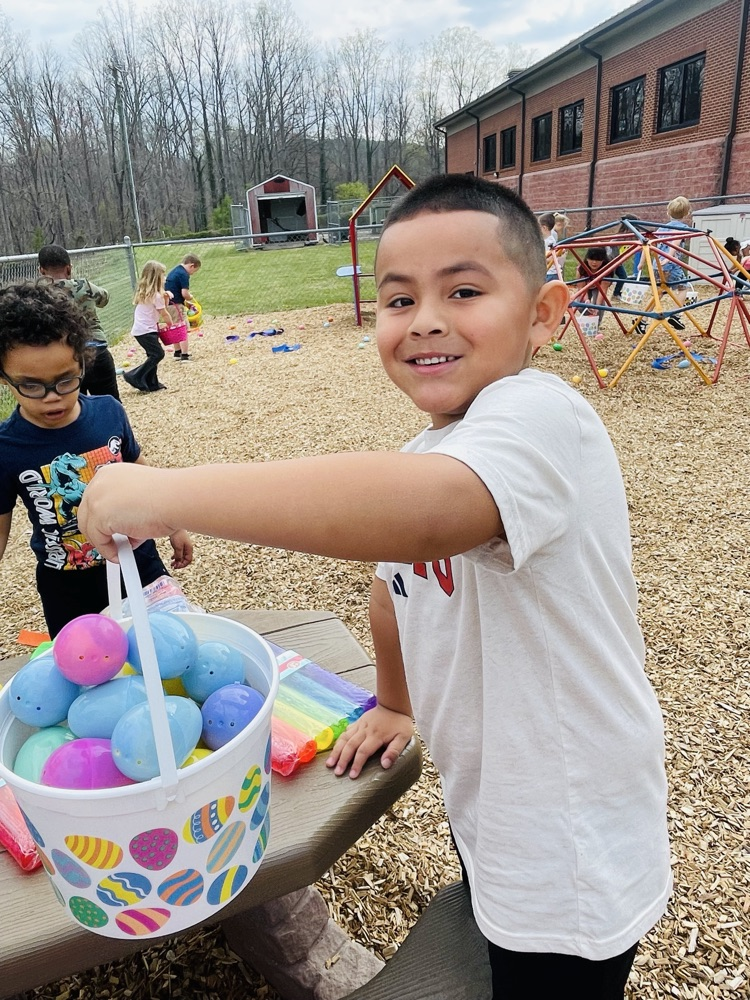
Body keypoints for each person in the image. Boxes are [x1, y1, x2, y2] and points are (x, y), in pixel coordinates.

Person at [79, 174, 671, 1000]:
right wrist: (394, 700)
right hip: (496, 800)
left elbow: (426, 521)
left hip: (573, 829)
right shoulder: (426, 453)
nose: (425, 318)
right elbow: (395, 585)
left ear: (543, 314)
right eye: (399, 300)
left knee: (547, 969)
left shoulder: (542, 416)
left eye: (463, 290)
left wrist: (163, 492)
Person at [0, 282, 193, 637]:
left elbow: (139, 468)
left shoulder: (108, 412)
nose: (52, 398)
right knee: (89, 673)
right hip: (68, 587)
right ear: (5, 378)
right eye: (31, 385)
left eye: (65, 380)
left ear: (82, 362)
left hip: (137, 562)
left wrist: (173, 522)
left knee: (168, 647)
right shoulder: (6, 446)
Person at [37, 244, 119, 401]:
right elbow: (104, 299)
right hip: (97, 352)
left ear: (42, 271)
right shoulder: (84, 286)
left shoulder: (40, 296)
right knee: (109, 403)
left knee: (73, 408)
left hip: (64, 359)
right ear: (69, 269)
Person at [124, 261, 172, 393]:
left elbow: (160, 308)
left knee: (152, 355)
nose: (165, 278)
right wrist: (171, 325)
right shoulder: (156, 296)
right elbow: (164, 313)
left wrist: (165, 298)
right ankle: (135, 376)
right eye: (163, 275)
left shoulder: (147, 293)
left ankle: (152, 383)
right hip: (146, 330)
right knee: (158, 354)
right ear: (156, 277)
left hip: (143, 330)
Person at [651, 195, 693, 330]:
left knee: (660, 292)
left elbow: (651, 243)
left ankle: (642, 319)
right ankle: (676, 315)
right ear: (687, 213)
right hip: (671, 264)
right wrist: (668, 258)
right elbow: (674, 243)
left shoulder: (661, 228)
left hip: (657, 264)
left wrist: (643, 262)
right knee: (683, 288)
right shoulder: (682, 227)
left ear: (668, 211)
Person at [165, 254, 201, 361]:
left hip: (169, 303)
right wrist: (191, 297)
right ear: (191, 265)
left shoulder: (175, 271)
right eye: (194, 271)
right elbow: (184, 293)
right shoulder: (183, 274)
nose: (193, 273)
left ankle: (177, 352)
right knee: (182, 328)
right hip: (176, 304)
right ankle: (184, 355)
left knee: (175, 327)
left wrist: (186, 304)